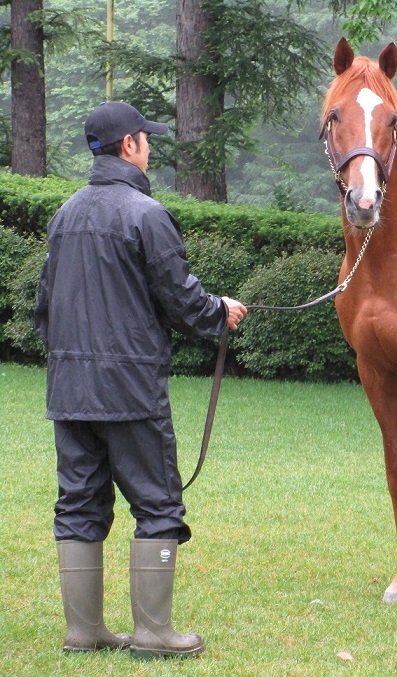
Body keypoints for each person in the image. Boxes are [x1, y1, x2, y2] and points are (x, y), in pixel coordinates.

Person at [34, 101, 247, 659]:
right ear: (129, 145)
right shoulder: (146, 213)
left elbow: (44, 307)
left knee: (78, 505)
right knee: (158, 505)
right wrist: (216, 311)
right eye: (145, 139)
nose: (150, 147)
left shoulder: (64, 215)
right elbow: (178, 294)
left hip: (69, 391)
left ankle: (84, 632)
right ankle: (153, 634)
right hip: (130, 394)